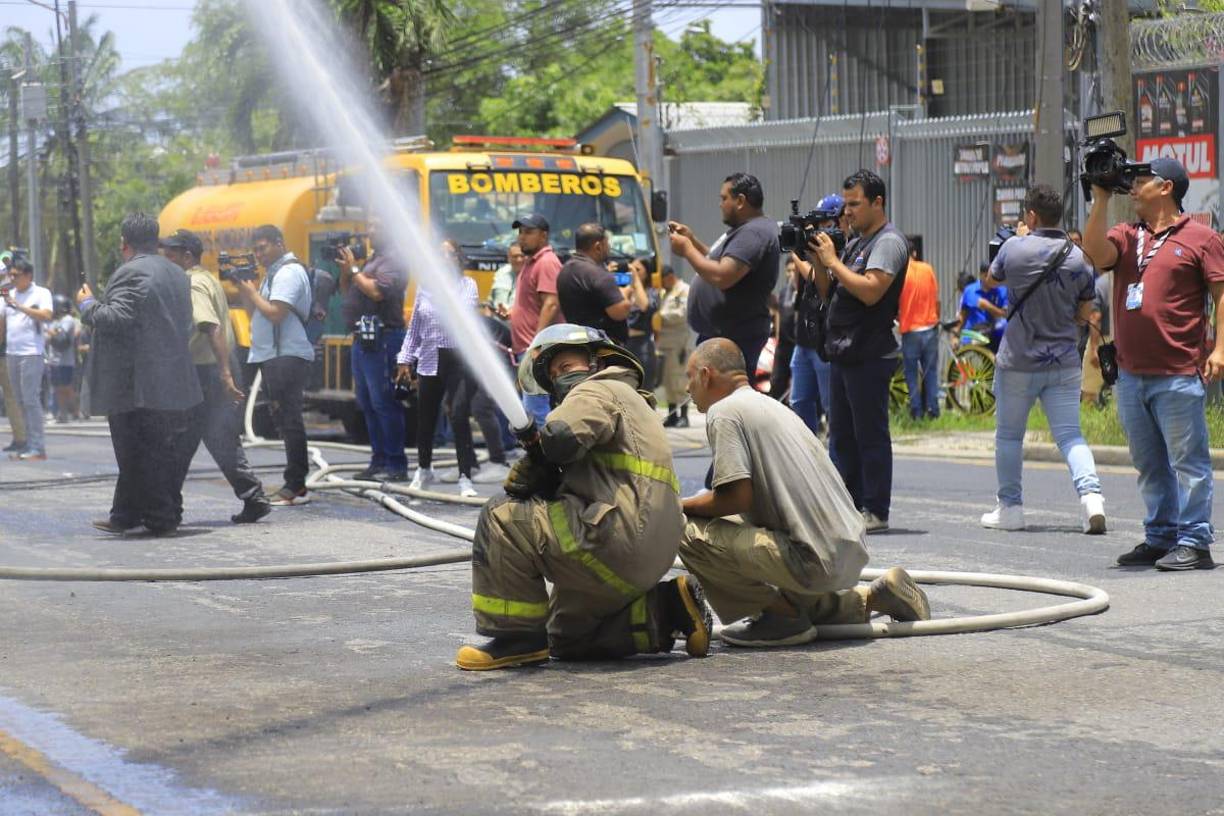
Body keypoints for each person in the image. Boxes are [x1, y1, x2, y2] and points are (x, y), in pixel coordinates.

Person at [455, 323, 712, 670]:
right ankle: (667, 609)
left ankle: (515, 638)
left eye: (567, 366)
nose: (561, 377)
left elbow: (562, 436)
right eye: (554, 375)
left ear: (597, 361)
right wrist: (550, 476)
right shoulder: (633, 400)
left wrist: (541, 454)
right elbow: (595, 471)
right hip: (654, 549)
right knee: (566, 635)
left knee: (503, 517)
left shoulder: (598, 388)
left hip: (619, 537)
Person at [678, 339, 929, 646]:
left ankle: (782, 618)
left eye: (690, 377)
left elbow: (735, 497)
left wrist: (679, 505)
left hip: (811, 559)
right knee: (739, 532)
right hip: (844, 550)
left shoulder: (724, 412)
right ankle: (870, 599)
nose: (687, 388)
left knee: (682, 529)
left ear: (706, 375)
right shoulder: (772, 406)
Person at [1081, 157, 1224, 571]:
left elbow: (1221, 297)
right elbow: (1094, 254)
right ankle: (1161, 535)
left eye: (1140, 179)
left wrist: (1220, 349)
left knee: (1189, 463)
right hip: (1130, 375)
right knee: (1149, 465)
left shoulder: (1202, 238)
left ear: (1166, 187)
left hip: (1177, 372)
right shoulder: (1127, 235)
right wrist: (1100, 199)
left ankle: (1195, 541)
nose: (1132, 186)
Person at [977, 185, 1106, 534]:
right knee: (1070, 436)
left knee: (1009, 437)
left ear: (1031, 216)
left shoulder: (1013, 248)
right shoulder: (1078, 256)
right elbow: (1084, 313)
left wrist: (1018, 239)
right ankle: (1091, 498)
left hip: (1018, 361)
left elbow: (990, 280)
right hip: (1063, 361)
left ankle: (1011, 508)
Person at [77, 212, 202, 535]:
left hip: (136, 384)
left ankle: (161, 518)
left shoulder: (131, 272)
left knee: (139, 454)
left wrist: (87, 304)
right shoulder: (176, 273)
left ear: (124, 243)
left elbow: (116, 318)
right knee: (154, 449)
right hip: (168, 379)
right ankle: (125, 515)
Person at [804, 170, 909, 533]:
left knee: (870, 435)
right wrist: (818, 261)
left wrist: (833, 261)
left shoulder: (888, 242)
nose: (847, 212)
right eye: (845, 204)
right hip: (844, 350)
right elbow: (827, 292)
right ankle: (849, 505)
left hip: (869, 352)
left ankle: (876, 509)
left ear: (878, 202)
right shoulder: (855, 243)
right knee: (842, 437)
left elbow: (871, 291)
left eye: (854, 204)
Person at [160, 229, 271, 525]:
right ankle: (253, 497)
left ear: (187, 256)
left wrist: (224, 374)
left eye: (171, 255)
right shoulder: (207, 278)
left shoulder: (193, 283)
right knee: (219, 437)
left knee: (179, 440)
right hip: (214, 368)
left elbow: (211, 327)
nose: (166, 260)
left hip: (205, 372)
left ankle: (167, 510)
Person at [668, 172, 779, 375]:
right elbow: (718, 261)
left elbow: (723, 276)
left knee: (726, 392)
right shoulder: (745, 230)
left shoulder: (753, 232)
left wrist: (687, 250)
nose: (720, 204)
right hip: (723, 335)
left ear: (740, 201)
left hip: (734, 337)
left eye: (724, 198)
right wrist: (692, 241)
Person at [396, 239, 482, 497]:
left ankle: (465, 477)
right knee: (426, 418)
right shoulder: (425, 287)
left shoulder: (468, 285)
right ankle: (424, 469)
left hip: (458, 360)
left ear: (458, 259)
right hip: (430, 358)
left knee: (458, 415)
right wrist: (405, 359)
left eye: (449, 254)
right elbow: (415, 328)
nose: (444, 259)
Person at [239, 224, 315, 507]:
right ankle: (295, 482)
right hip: (272, 355)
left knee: (290, 419)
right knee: (282, 419)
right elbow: (256, 314)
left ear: (279, 243)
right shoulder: (272, 274)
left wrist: (252, 292)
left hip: (287, 355)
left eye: (263, 248)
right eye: (255, 250)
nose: (259, 255)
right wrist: (246, 291)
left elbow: (275, 313)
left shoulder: (288, 273)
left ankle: (296, 484)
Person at [337, 216, 409, 481]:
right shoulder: (373, 260)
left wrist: (355, 270)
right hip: (364, 339)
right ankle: (378, 461)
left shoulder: (395, 260)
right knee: (367, 403)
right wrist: (347, 271)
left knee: (384, 402)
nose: (370, 231)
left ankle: (396, 464)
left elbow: (377, 292)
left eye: (377, 226)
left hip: (384, 338)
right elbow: (348, 291)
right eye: (370, 226)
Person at [787, 193, 843, 436]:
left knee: (832, 406)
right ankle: (809, 447)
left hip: (825, 339)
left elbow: (817, 277)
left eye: (825, 224)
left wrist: (797, 254)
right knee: (799, 401)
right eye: (817, 225)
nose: (820, 231)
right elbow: (801, 287)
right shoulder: (807, 250)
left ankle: (835, 449)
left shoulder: (840, 250)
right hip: (803, 339)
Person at [1, 259, 53, 460]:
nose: (12, 278)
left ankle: (38, 447)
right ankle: (28, 444)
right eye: (11, 274)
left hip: (31, 352)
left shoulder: (41, 293)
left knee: (31, 399)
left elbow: (46, 315)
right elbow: (2, 325)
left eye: (16, 275)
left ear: (28, 276)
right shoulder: (8, 295)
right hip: (12, 353)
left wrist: (19, 306)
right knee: (19, 400)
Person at [555, 222, 639, 345]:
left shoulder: (565, 270)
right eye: (607, 244)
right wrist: (626, 292)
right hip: (603, 348)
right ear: (598, 247)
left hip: (577, 344)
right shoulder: (599, 275)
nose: (609, 248)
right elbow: (620, 312)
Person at [899, 235, 941, 420]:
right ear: (914, 253)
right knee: (930, 372)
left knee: (911, 374)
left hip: (910, 330)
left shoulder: (900, 274)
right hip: (930, 327)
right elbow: (936, 299)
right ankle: (933, 410)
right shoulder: (927, 269)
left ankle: (916, 411)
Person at [655, 264, 692, 427]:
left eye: (663, 281)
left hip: (678, 343)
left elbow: (682, 314)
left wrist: (660, 316)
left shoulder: (684, 290)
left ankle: (684, 415)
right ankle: (672, 415)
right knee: (668, 381)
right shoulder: (666, 292)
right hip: (664, 343)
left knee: (679, 380)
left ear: (669, 277)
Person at [624, 258, 659, 389]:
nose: (633, 272)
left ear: (647, 273)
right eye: (631, 269)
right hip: (623, 343)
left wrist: (636, 280)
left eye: (637, 269)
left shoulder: (652, 292)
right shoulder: (624, 289)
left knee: (644, 387)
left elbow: (645, 306)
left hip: (641, 345)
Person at [957, 262, 1009, 349]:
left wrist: (988, 307)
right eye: (987, 276)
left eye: (993, 276)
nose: (991, 280)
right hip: (972, 336)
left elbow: (1005, 315)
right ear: (981, 275)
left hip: (993, 336)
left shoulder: (1002, 291)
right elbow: (962, 316)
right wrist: (955, 335)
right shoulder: (969, 291)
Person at [44, 294, 79, 423]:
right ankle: (62, 414)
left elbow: (60, 334)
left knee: (66, 388)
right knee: (58, 388)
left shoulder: (68, 319)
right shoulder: (54, 321)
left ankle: (76, 412)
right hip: (53, 360)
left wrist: (46, 330)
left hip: (65, 361)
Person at [1081, 270, 1113, 405]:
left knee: (1090, 391)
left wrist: (1094, 349)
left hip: (1102, 340)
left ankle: (1089, 415)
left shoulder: (1100, 285)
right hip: (1122, 339)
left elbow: (1095, 317)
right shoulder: (1125, 280)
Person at [489, 241, 524, 314]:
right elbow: (490, 303)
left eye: (522, 256)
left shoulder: (533, 276)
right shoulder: (502, 273)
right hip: (499, 317)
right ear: (509, 258)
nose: (519, 260)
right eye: (515, 256)